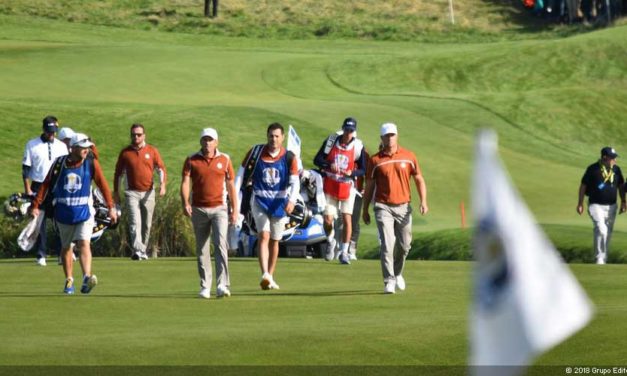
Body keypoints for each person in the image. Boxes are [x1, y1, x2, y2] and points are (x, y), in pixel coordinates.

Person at [31, 133, 117, 294]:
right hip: (63, 213)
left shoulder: (91, 163)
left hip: (84, 213)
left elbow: (103, 185)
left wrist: (111, 207)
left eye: (88, 147)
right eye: (83, 147)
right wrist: (36, 204)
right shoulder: (59, 163)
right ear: (74, 148)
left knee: (84, 243)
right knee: (66, 247)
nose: (86, 150)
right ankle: (69, 279)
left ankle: (86, 278)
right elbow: (45, 184)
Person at [362, 122, 428, 294]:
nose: (390, 138)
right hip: (383, 206)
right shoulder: (375, 160)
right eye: (386, 136)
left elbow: (419, 179)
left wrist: (423, 201)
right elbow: (369, 186)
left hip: (404, 207)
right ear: (382, 138)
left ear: (397, 136)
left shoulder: (409, 156)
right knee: (387, 244)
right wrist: (364, 210)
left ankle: (397, 273)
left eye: (392, 135)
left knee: (405, 245)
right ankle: (388, 280)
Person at [235, 123, 300, 290]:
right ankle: (264, 274)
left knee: (275, 240)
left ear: (283, 138)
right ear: (267, 136)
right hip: (259, 201)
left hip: (279, 204)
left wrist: (292, 200)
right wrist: (235, 197)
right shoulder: (256, 152)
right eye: (271, 135)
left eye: (277, 136)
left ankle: (270, 275)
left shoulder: (289, 157)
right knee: (264, 235)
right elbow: (241, 173)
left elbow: (295, 182)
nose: (274, 139)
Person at [180, 128, 238, 299]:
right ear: (201, 142)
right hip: (198, 209)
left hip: (219, 208)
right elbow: (185, 183)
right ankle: (205, 285)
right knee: (202, 248)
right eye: (204, 140)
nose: (207, 143)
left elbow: (231, 186)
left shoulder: (225, 159)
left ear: (216, 142)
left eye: (210, 140)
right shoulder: (192, 159)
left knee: (220, 245)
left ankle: (222, 284)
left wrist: (235, 210)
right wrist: (185, 202)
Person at [313, 117, 366, 264]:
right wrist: (329, 165)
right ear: (342, 128)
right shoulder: (331, 141)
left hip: (347, 187)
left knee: (347, 219)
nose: (348, 133)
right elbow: (317, 160)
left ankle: (344, 252)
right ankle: (331, 241)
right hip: (330, 185)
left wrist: (352, 173)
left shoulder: (358, 146)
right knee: (328, 220)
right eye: (346, 130)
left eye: (351, 131)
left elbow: (363, 169)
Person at [113, 123, 167, 260]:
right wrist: (116, 192)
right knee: (134, 222)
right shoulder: (126, 153)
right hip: (132, 192)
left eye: (139, 134)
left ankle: (143, 250)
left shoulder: (152, 151)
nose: (136, 137)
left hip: (149, 192)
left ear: (144, 135)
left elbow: (161, 169)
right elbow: (118, 174)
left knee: (147, 224)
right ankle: (138, 250)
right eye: (133, 134)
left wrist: (163, 185)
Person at [22, 116, 69, 266]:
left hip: (57, 186)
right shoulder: (32, 144)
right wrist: (28, 189)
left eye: (54, 131)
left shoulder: (62, 146)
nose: (51, 135)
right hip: (38, 185)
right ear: (43, 129)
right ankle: (41, 255)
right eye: (49, 131)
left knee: (60, 221)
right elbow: (26, 169)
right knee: (39, 222)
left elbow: (65, 167)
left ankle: (63, 253)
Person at [577, 147, 626, 264]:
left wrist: (624, 201)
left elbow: (621, 186)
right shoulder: (592, 169)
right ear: (605, 157)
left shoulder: (617, 170)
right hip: (595, 205)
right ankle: (599, 258)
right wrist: (580, 203)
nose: (615, 160)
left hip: (612, 206)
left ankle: (602, 258)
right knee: (601, 229)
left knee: (607, 233)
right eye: (612, 158)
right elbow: (583, 186)